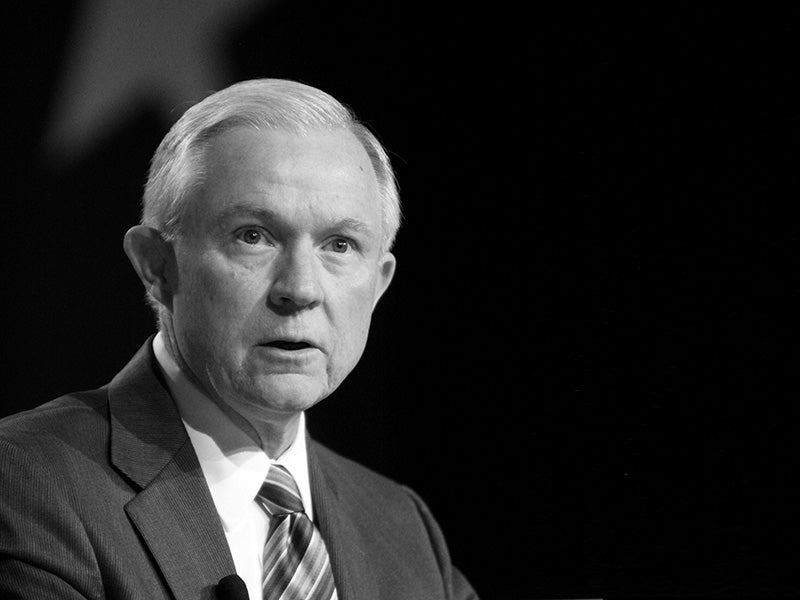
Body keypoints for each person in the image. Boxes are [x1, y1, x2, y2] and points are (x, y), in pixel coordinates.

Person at [0, 79, 478, 600]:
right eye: (253, 236)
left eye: (340, 245)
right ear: (157, 266)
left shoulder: (402, 529)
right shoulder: (28, 486)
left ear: (379, 283)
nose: (300, 288)